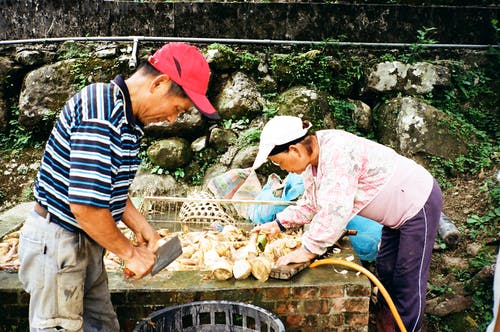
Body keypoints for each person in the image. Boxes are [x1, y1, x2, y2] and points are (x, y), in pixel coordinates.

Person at [18, 42, 219, 331]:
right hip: (60, 242)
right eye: (177, 108)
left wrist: (141, 226)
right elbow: (86, 207)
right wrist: (130, 253)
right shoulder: (101, 111)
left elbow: (107, 188)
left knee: (101, 325)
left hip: (86, 240)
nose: (173, 118)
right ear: (159, 83)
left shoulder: (128, 120)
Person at [251, 116, 442, 332]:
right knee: (387, 269)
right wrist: (278, 225)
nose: (283, 169)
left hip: (418, 203)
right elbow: (312, 203)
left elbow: (335, 211)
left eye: (279, 162)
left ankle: (404, 328)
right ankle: (386, 325)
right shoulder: (314, 162)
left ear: (294, 150)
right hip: (395, 215)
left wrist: (307, 250)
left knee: (408, 279)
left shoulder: (337, 153)